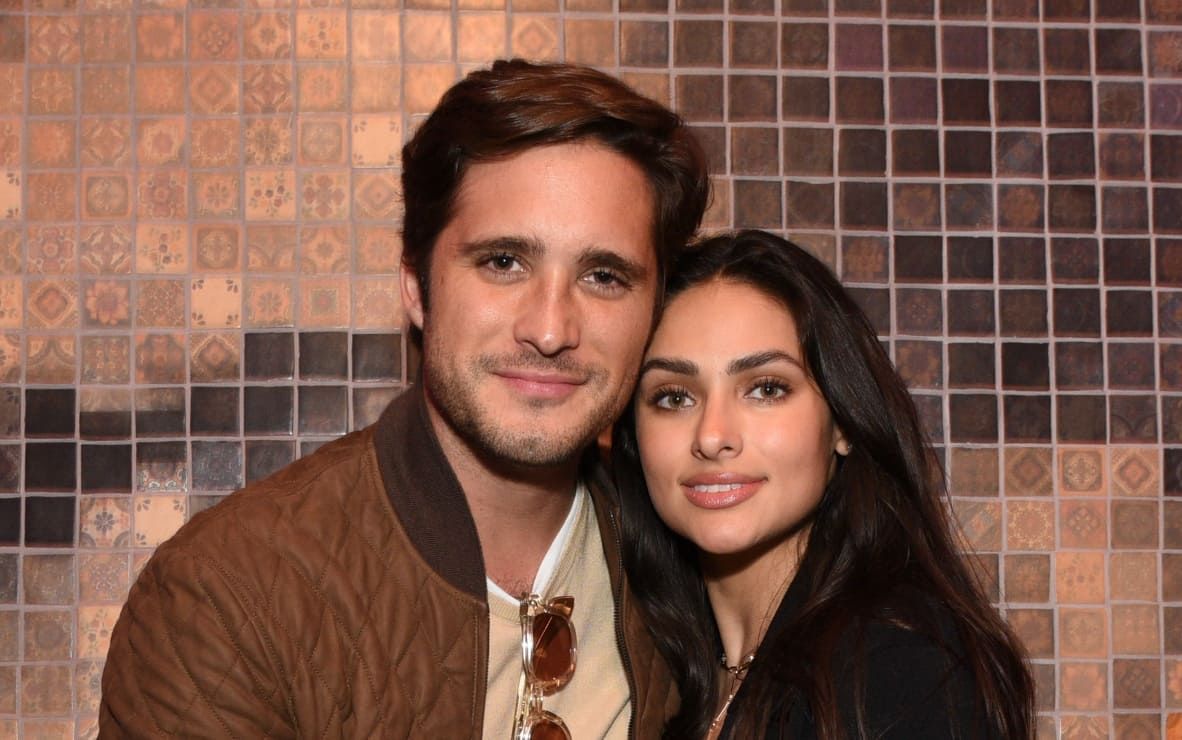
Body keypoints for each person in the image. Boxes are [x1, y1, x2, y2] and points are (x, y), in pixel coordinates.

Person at [100, 59, 709, 739]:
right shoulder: (226, 599)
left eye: (603, 276)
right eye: (503, 262)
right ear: (417, 288)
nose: (549, 329)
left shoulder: (701, 563)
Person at [612, 230, 1034, 739]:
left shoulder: (902, 673)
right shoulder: (663, 679)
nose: (713, 436)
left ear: (842, 423)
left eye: (766, 389)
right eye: (674, 397)